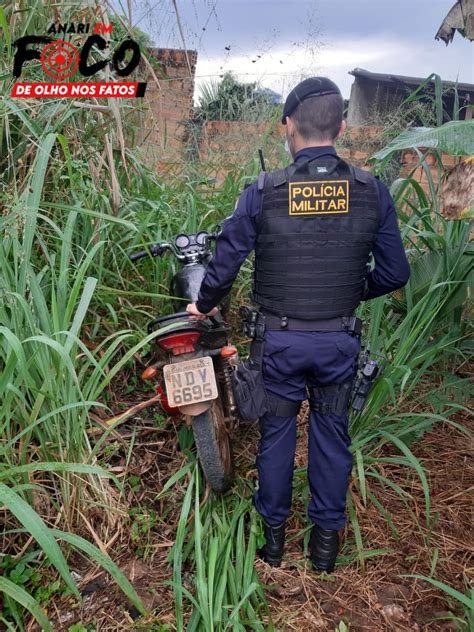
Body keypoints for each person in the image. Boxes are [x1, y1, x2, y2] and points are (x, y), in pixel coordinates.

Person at [186, 77, 410, 572]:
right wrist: (351, 294)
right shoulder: (372, 191)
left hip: (280, 343)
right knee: (333, 437)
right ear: (343, 126)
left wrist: (203, 305)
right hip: (338, 343)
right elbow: (395, 272)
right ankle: (324, 552)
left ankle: (272, 547)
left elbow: (225, 262)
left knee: (277, 436)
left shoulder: (264, 191)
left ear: (288, 126)